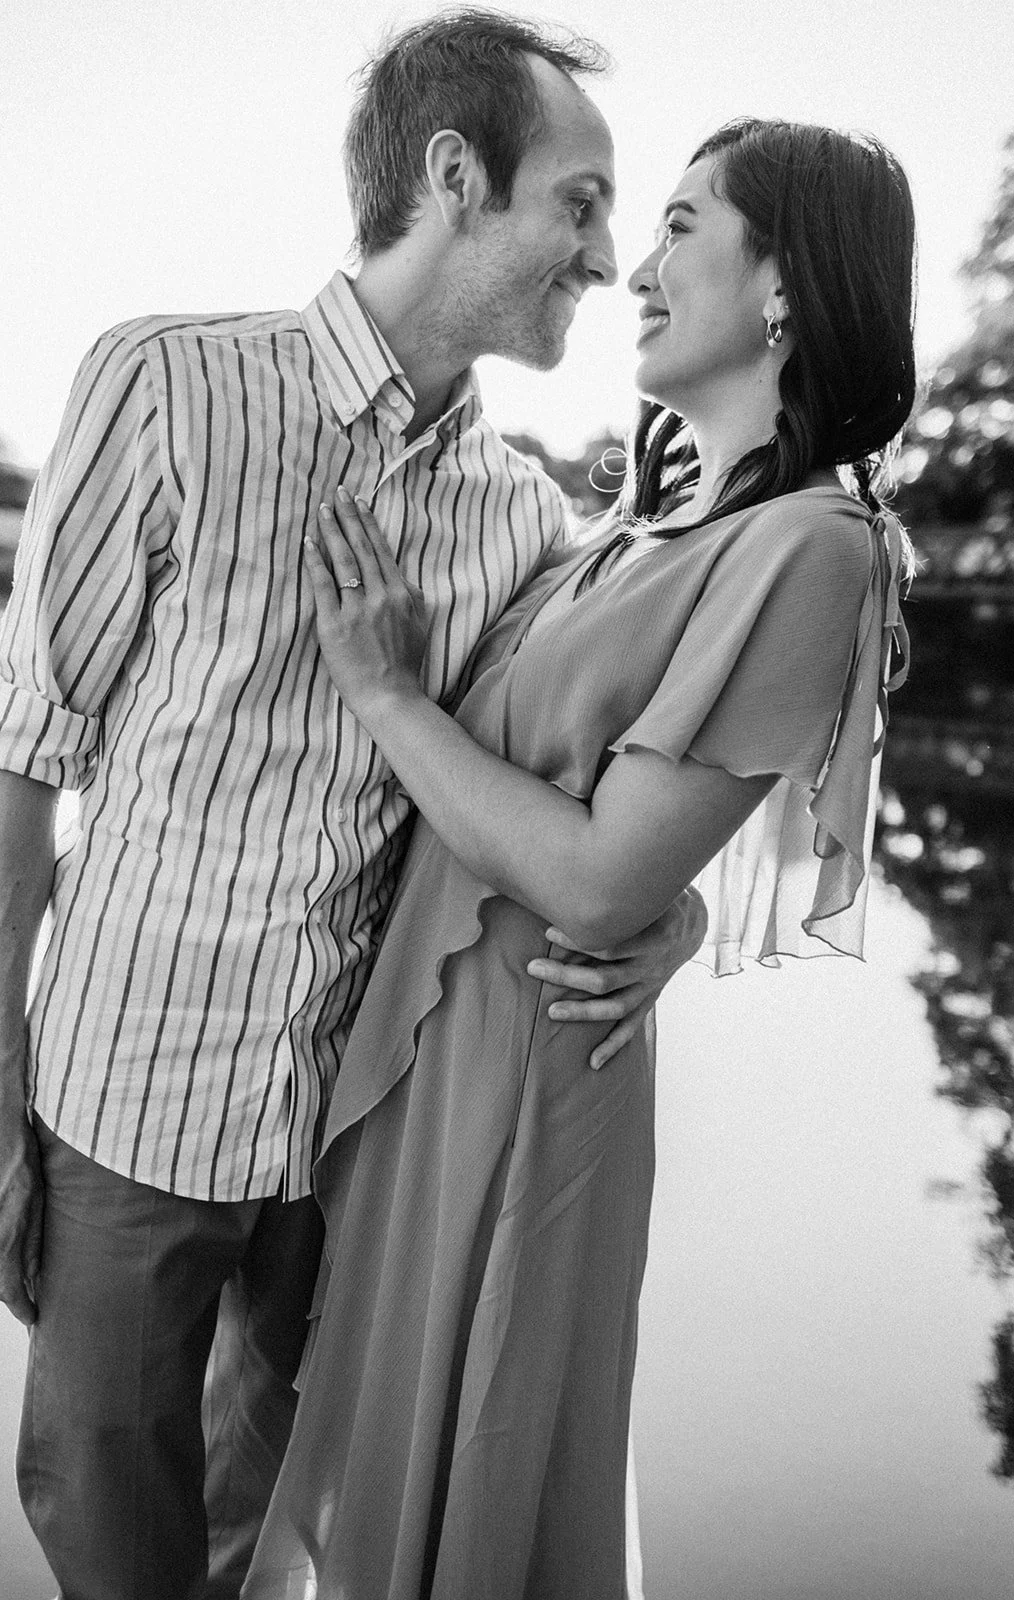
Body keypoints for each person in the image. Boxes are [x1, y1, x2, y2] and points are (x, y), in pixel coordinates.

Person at [0, 14, 705, 1600]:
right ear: (456, 176)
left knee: (287, 1547)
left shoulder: (526, 515)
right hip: (126, 1107)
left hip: (355, 1142)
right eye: (579, 203)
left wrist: (672, 914)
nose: (605, 256)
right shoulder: (165, 387)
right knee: (106, 1525)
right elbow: (24, 759)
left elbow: (575, 802)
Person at [242, 115, 917, 1599]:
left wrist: (387, 695)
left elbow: (601, 881)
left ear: (787, 288)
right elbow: (591, 826)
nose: (636, 267)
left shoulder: (817, 548)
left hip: (534, 1082)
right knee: (362, 1498)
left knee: (472, 1476)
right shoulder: (625, 522)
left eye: (681, 226)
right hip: (433, 1054)